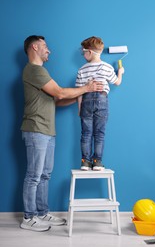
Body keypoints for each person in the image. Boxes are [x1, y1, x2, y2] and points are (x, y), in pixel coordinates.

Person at [20, 35, 103, 232]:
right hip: (35, 129)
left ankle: (41, 212)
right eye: (45, 47)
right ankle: (28, 217)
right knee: (34, 175)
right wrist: (86, 87)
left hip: (47, 130)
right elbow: (59, 92)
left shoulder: (41, 72)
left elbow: (56, 100)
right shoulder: (34, 70)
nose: (49, 50)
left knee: (45, 175)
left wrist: (80, 94)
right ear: (34, 47)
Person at [75, 36, 125, 171]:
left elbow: (79, 92)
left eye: (83, 52)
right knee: (99, 133)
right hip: (102, 101)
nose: (82, 54)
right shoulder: (107, 67)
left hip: (86, 101)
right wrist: (120, 72)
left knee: (86, 133)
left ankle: (85, 162)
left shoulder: (82, 69)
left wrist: (80, 108)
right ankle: (97, 162)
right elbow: (117, 82)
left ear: (89, 52)